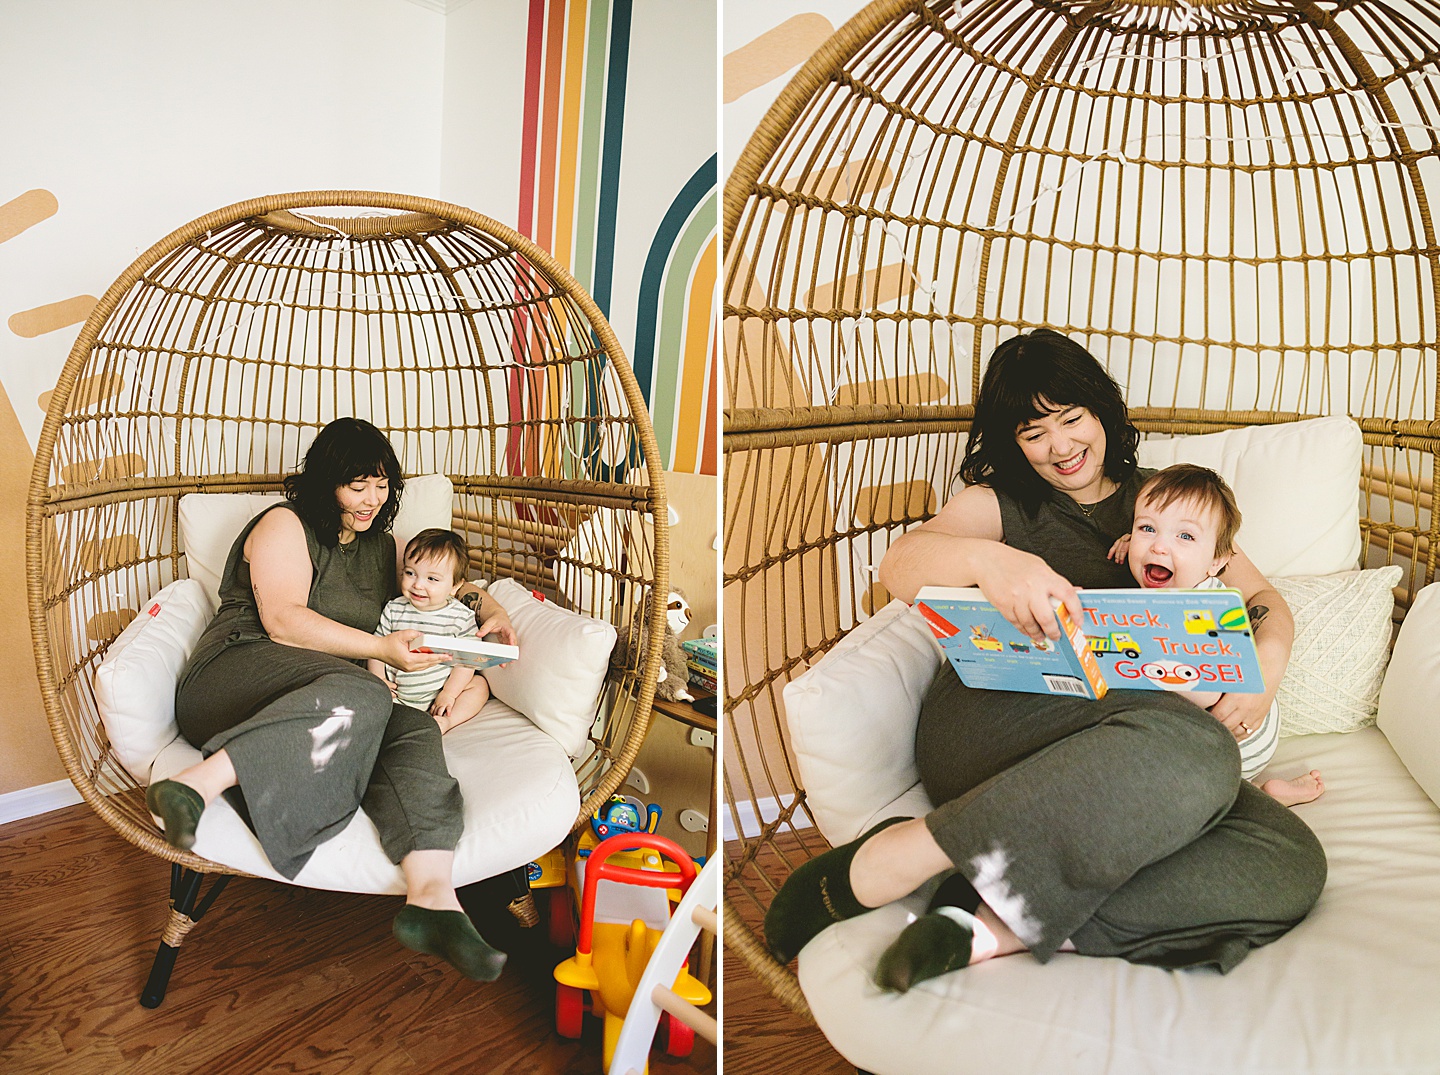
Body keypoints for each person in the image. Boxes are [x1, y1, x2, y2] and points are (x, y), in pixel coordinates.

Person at [763, 328, 1327, 994]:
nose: (1059, 445)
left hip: (1134, 754)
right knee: (1202, 753)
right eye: (1034, 431)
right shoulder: (998, 504)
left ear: (1101, 411)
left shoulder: (1164, 501)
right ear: (1013, 441)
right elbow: (900, 563)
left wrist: (1269, 659)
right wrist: (992, 560)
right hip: (998, 723)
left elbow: (1260, 596)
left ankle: (982, 903)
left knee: (1289, 862)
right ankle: (903, 853)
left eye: (1070, 418)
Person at [147, 417, 516, 982]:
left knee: (413, 730)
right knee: (364, 690)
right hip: (236, 671)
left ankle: (433, 898)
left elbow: (436, 584)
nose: (372, 499)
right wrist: (380, 651)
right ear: (326, 483)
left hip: (328, 695)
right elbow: (283, 621)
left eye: (382, 484)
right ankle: (195, 786)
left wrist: (489, 608)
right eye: (356, 485)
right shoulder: (283, 523)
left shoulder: (383, 547)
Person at [1113, 463, 1323, 807]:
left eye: (1185, 536)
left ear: (1215, 563)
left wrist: (1148, 665)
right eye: (1147, 529)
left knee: (1174, 783)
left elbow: (1211, 689)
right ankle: (1253, 791)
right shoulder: (1156, 588)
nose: (1159, 548)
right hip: (1200, 732)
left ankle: (1256, 798)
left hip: (1239, 733)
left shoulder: (1210, 606)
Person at [367, 528, 507, 735]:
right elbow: (377, 648)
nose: (418, 585)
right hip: (398, 694)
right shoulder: (394, 608)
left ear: (454, 586)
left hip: (440, 695)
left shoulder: (461, 617)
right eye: (410, 573)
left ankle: (446, 723)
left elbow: (466, 661)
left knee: (479, 685)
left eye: (432, 579)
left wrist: (449, 694)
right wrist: (379, 680)